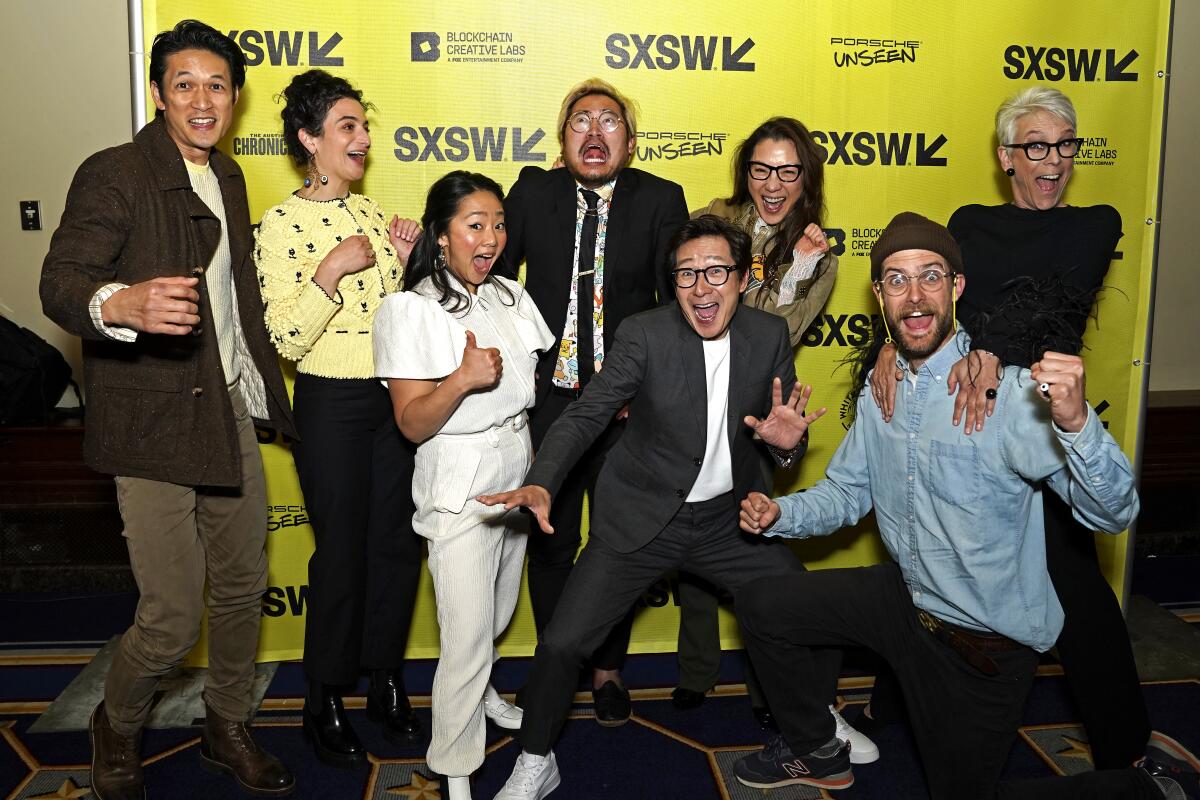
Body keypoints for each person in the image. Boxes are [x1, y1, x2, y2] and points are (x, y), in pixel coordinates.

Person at [731, 211, 1198, 799]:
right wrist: (781, 515)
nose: (915, 294)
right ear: (879, 297)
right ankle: (818, 746)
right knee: (763, 602)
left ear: (956, 288)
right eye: (896, 280)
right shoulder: (883, 390)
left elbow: (1115, 513)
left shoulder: (1009, 395)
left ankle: (1146, 788)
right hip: (909, 601)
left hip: (983, 645)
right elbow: (850, 493)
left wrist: (1079, 424)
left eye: (930, 276)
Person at [480, 215, 849, 800]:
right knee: (560, 642)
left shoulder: (768, 336)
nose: (701, 289)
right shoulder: (644, 334)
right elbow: (587, 413)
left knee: (806, 609)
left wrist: (790, 444)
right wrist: (544, 480)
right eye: (686, 276)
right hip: (644, 517)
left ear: (745, 276)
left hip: (733, 523)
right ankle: (535, 756)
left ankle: (817, 725)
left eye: (715, 272)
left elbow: (784, 431)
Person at [864, 86, 1165, 771]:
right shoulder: (969, 219)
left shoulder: (1097, 224)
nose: (1052, 159)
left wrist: (989, 352)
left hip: (1036, 421)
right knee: (935, 563)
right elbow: (936, 303)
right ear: (1007, 156)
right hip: (962, 419)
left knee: (1077, 586)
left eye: (1064, 144)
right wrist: (895, 344)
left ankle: (1126, 749)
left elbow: (1051, 307)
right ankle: (893, 702)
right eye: (1035, 145)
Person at [40, 20, 296, 799]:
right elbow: (60, 282)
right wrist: (123, 302)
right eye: (184, 83)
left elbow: (234, 301)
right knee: (172, 617)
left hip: (222, 411)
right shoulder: (115, 172)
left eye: (217, 84)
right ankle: (115, 725)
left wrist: (265, 391)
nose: (202, 98)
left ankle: (226, 726)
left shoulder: (229, 178)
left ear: (235, 97)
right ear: (157, 94)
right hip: (150, 424)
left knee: (245, 587)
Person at [673, 117, 873, 760]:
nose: (773, 184)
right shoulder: (713, 218)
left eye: (788, 171)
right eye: (761, 169)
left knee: (750, 542)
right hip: (694, 393)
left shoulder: (820, 253)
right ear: (744, 171)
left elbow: (772, 335)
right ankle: (697, 672)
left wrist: (798, 273)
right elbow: (700, 308)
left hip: (765, 410)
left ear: (806, 178)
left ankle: (772, 693)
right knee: (687, 539)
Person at [502, 77, 688, 725]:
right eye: (580, 121)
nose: (594, 132)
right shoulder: (533, 194)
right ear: (562, 141)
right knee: (550, 540)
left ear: (630, 143)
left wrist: (654, 389)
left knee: (617, 543)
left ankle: (607, 671)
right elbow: (495, 283)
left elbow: (678, 304)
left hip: (629, 408)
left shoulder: (663, 200)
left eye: (609, 121)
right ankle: (556, 667)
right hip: (550, 402)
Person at [254, 70, 423, 769]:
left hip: (392, 400)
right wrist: (328, 274)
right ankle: (321, 698)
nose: (362, 137)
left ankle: (384, 682)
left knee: (394, 547)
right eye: (347, 126)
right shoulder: (281, 224)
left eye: (363, 125)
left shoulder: (374, 215)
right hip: (329, 404)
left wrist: (405, 265)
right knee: (343, 555)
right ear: (309, 139)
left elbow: (393, 323)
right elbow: (285, 340)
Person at [372, 170, 553, 800]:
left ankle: (486, 695)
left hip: (516, 464)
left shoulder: (509, 296)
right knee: (466, 633)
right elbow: (411, 422)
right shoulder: (410, 309)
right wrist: (461, 381)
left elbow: (533, 390)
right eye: (474, 225)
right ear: (441, 236)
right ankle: (454, 771)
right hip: (459, 475)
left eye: (498, 224)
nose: (492, 238)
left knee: (498, 612)